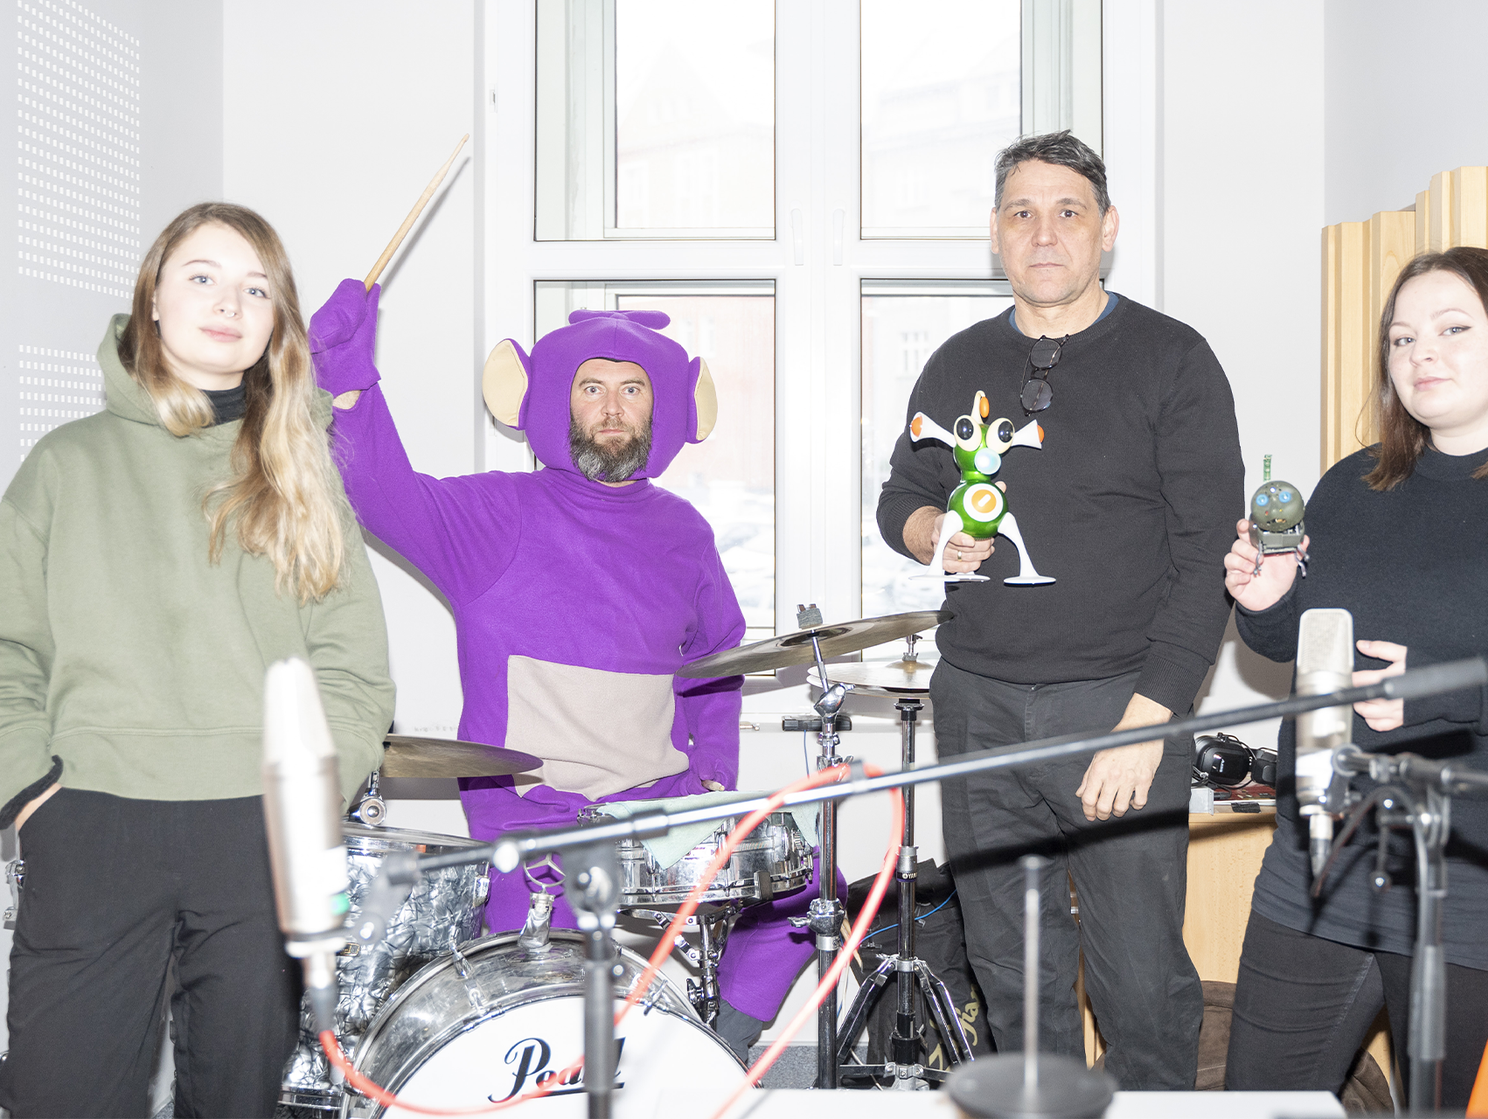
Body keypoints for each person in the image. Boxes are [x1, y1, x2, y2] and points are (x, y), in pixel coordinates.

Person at [309, 285, 822, 1057]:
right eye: (591, 388)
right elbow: (382, 495)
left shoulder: (686, 531)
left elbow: (717, 659)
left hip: (657, 819)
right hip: (532, 834)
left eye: (631, 389)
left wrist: (713, 773)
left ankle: (716, 1049)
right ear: (548, 399)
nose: (611, 409)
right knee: (537, 1029)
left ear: (668, 410)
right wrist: (349, 380)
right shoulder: (495, 515)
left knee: (811, 883)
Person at [0, 203, 395, 1118]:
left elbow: (356, 667)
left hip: (257, 832)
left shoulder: (304, 472)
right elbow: (8, 646)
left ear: (274, 323)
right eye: (203, 277)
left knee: (238, 1102)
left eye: (256, 287)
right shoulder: (64, 465)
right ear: (153, 301)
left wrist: (306, 798)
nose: (229, 301)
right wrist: (32, 793)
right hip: (91, 821)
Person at [876, 130, 1243, 1087]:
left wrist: (1149, 721)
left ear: (1107, 229)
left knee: (1138, 979)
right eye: (1022, 212)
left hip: (1117, 707)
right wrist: (929, 534)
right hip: (977, 704)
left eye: (1068, 210)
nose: (1045, 232)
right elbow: (899, 495)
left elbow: (1209, 555)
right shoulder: (957, 363)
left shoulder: (1173, 359)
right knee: (1010, 971)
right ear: (996, 235)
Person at [1222, 246, 1488, 1106]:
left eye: (1452, 329)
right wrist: (1267, 601)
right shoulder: (1353, 484)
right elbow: (1302, 645)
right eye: (1402, 338)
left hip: (1483, 881)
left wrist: (1454, 687)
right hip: (1316, 866)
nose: (1421, 353)